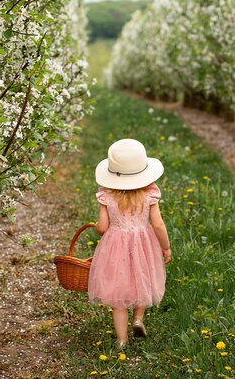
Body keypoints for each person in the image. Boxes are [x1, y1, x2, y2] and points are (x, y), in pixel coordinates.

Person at [88, 138, 172, 348]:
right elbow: (159, 224)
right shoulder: (149, 193)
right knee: (142, 278)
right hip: (143, 243)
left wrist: (96, 228)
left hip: (115, 244)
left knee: (119, 293)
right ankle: (138, 319)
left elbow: (103, 226)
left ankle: (122, 341)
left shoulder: (107, 195)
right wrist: (166, 246)